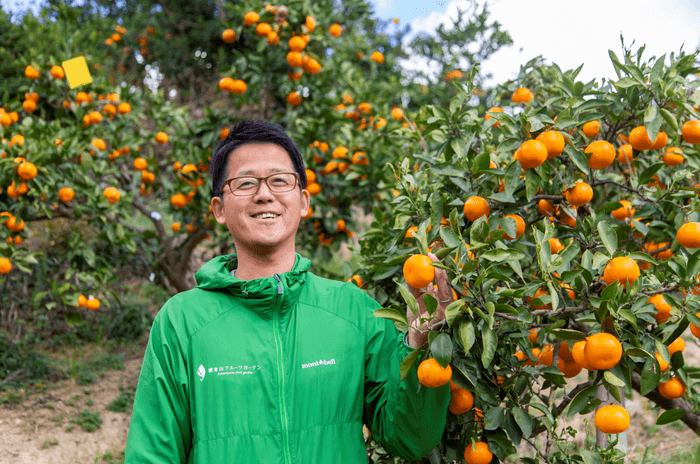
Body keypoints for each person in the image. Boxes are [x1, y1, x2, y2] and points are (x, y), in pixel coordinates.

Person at [124, 119, 453, 463]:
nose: (264, 194)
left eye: (280, 180)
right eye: (246, 182)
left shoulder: (354, 310)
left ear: (303, 202)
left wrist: (420, 343)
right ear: (219, 209)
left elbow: (411, 439)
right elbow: (152, 453)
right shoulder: (182, 321)